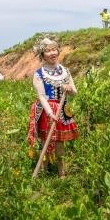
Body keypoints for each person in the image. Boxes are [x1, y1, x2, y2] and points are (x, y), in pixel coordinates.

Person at [28, 36, 78, 178]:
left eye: (54, 49)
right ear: (42, 55)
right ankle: (43, 172)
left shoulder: (65, 71)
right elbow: (41, 96)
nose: (52, 53)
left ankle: (62, 173)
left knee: (60, 143)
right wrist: (50, 112)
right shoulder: (39, 74)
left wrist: (69, 89)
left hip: (62, 109)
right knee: (45, 141)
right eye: (48, 51)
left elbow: (75, 92)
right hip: (46, 111)